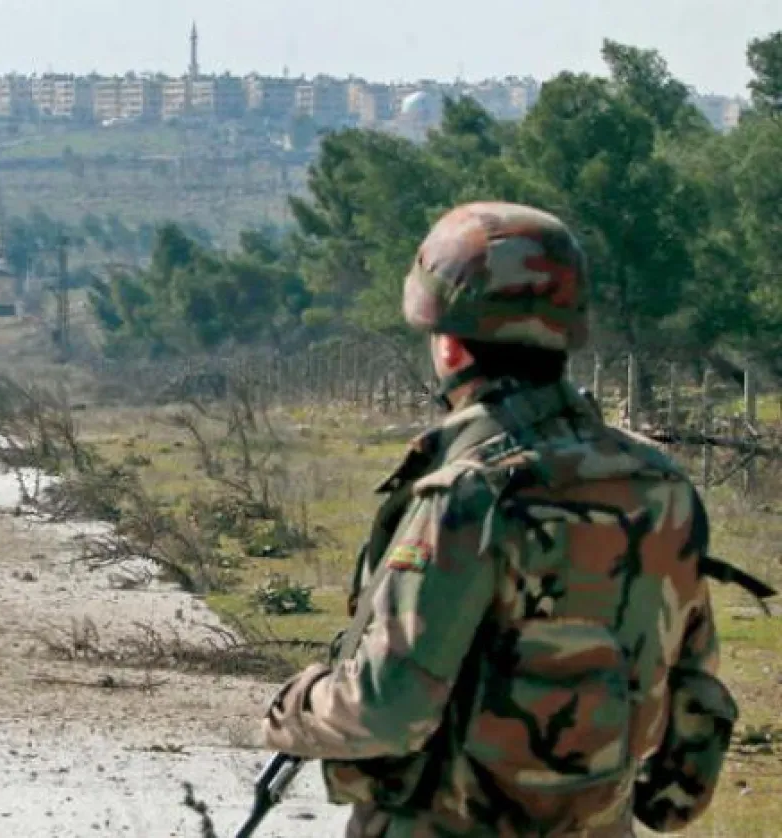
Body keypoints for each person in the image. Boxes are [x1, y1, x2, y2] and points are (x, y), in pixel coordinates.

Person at [262, 202, 741, 837]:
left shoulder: (468, 495)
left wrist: (296, 706)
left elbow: (388, 710)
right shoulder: (660, 486)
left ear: (451, 344)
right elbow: (692, 695)